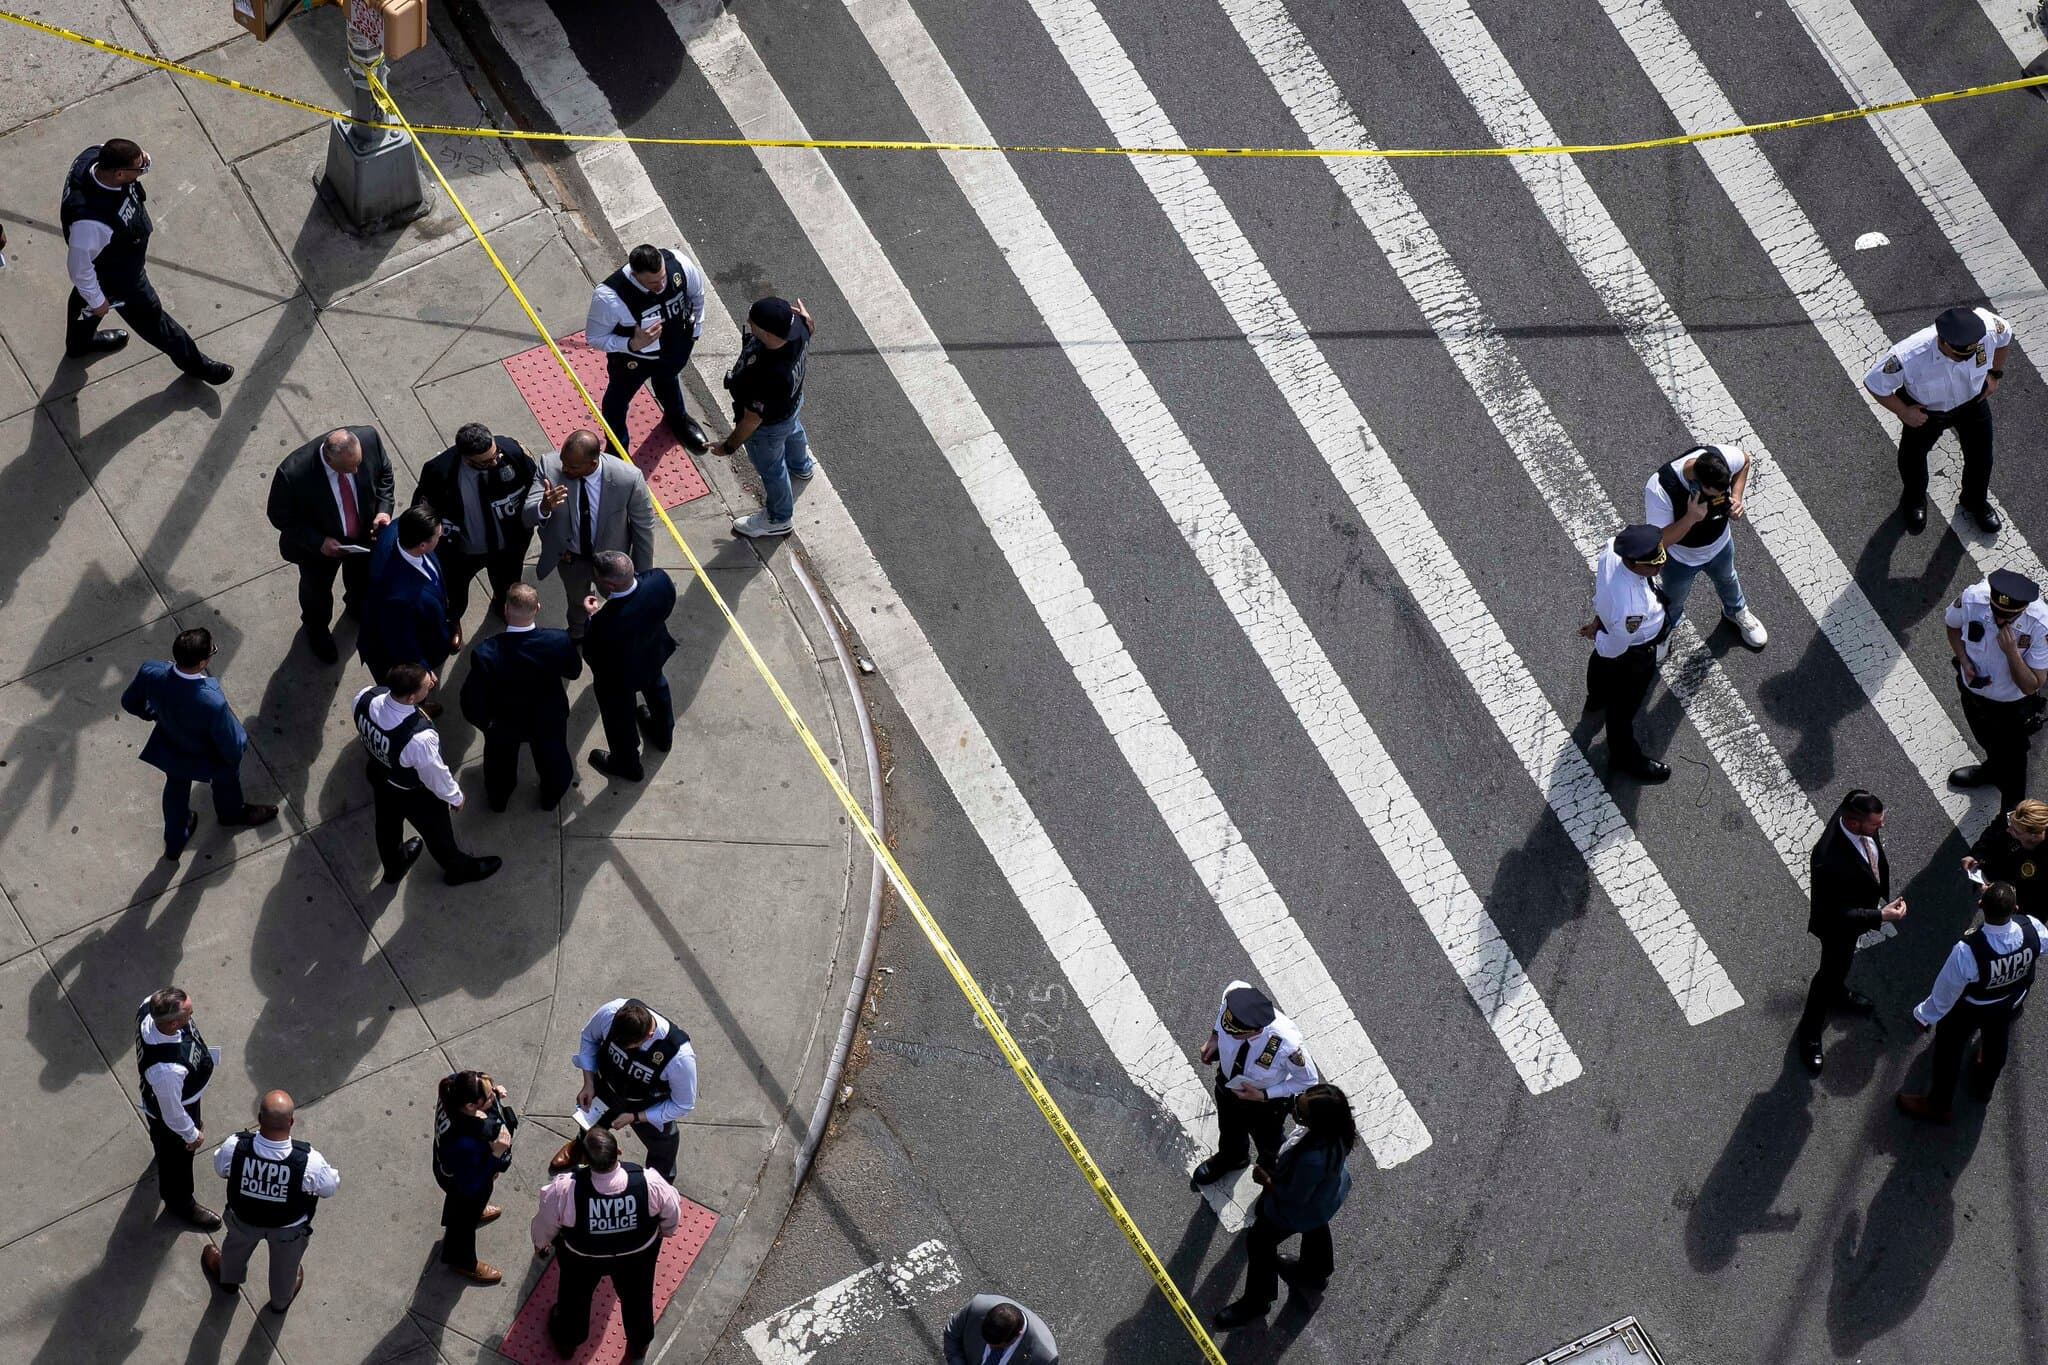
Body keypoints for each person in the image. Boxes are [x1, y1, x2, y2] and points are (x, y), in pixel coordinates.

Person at [60, 138, 233, 383]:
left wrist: (141, 161)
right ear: (120, 174)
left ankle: (79, 345)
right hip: (121, 276)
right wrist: (98, 299)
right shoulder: (91, 222)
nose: (144, 168)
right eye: (139, 168)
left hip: (113, 258)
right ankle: (199, 366)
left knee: (84, 303)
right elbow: (79, 268)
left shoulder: (95, 155)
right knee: (153, 320)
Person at [120, 628, 277, 859]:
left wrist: (153, 713)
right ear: (203, 662)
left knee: (175, 789)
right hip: (208, 754)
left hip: (172, 746)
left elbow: (129, 702)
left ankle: (175, 841)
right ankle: (231, 815)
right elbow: (232, 744)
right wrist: (235, 756)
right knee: (227, 779)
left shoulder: (151, 671)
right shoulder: (212, 701)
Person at [1898, 879, 2046, 1122]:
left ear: (1980, 906)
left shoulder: (1967, 951)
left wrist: (1925, 1016)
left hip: (1972, 1010)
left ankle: (1939, 1104)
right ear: (2016, 909)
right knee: (1996, 1044)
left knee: (1949, 1050)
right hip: (2007, 1004)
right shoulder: (2034, 929)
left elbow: (1945, 992)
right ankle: (1984, 1088)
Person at [531, 1127, 683, 1362]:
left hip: (582, 1260)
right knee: (638, 1299)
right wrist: (663, 1233)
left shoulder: (565, 1190)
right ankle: (638, 1346)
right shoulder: (649, 1182)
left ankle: (567, 1343)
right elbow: (672, 1215)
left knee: (574, 1299)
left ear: (584, 1159)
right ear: (618, 1151)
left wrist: (541, 1244)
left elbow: (545, 1224)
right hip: (637, 1258)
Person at [1215, 1082, 1356, 1328]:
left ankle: (1257, 1301)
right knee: (1316, 1225)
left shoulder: (1312, 1160)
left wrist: (1267, 1181)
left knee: (1259, 1241)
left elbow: (1293, 1197)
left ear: (1317, 1123)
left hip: (1299, 1207)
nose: (1294, 1109)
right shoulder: (1337, 1132)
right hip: (1325, 1196)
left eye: (1300, 1112)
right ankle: (1315, 1272)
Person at [1864, 305, 2013, 534]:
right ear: (1942, 341)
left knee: (1981, 457)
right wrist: (1904, 412)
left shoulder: (1987, 328)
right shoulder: (1909, 355)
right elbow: (1875, 383)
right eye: (1958, 356)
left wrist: (1994, 374)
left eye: (1968, 356)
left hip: (1972, 403)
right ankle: (1914, 499)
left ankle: (1975, 501)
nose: (1962, 361)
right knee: (1913, 458)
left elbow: (2005, 336)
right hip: (1928, 412)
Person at [353, 663, 501, 886]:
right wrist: (455, 797)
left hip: (380, 774)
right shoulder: (418, 739)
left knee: (387, 825)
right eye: (426, 685)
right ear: (411, 698)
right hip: (413, 793)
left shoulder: (364, 697)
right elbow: (435, 774)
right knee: (438, 834)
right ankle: (457, 870)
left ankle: (394, 867)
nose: (432, 682)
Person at [1797, 789, 1908, 1075]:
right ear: (1854, 823)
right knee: (1828, 973)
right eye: (1876, 824)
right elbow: (1836, 913)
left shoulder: (1856, 813)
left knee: (1842, 964)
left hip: (1856, 912)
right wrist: (1880, 915)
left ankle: (1837, 993)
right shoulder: (1827, 859)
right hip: (1836, 926)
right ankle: (1809, 1032)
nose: (1881, 826)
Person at [200, 1090, 339, 1314]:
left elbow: (221, 1169)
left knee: (235, 1250)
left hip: (243, 1220)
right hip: (288, 1229)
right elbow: (329, 1188)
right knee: (286, 1266)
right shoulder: (309, 1161)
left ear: (259, 1118)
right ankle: (280, 1301)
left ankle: (228, 1279)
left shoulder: (235, 1146)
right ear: (291, 1122)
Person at [267, 426, 396, 663]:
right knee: (316, 593)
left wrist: (383, 510)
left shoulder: (369, 439)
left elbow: (385, 473)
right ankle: (316, 629)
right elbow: (279, 516)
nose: (355, 471)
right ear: (329, 460)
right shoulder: (293, 474)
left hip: (363, 536)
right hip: (319, 550)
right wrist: (319, 541)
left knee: (362, 578)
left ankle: (356, 606)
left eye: (358, 464)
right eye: (348, 468)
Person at [458, 583, 582, 811]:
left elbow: (470, 700)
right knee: (553, 761)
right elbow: (574, 671)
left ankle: (499, 801)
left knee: (499, 767)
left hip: (504, 724)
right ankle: (550, 798)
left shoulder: (486, 653)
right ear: (538, 608)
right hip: (548, 718)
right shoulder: (558, 641)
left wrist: (488, 724)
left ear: (506, 609)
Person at [411, 423, 542, 636]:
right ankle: (453, 618)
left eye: (495, 455)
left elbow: (536, 485)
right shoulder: (439, 472)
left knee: (507, 583)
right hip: (462, 552)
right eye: (486, 462)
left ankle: (501, 604)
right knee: (454, 591)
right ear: (466, 458)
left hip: (507, 545)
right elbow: (422, 510)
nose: (495, 462)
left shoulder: (511, 452)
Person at [524, 429, 656, 638]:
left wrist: (643, 576)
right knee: (577, 601)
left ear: (592, 464)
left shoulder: (628, 478)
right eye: (563, 462)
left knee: (620, 602)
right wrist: (543, 507)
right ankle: (578, 632)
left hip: (612, 563)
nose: (564, 469)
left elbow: (644, 527)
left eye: (573, 467)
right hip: (571, 560)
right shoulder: (549, 466)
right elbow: (527, 516)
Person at [1189, 981, 1319, 1190]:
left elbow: (1308, 1080)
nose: (1229, 1034)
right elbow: (1225, 1012)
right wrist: (1214, 1036)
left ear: (1257, 1029)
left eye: (1236, 1034)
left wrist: (1264, 1094)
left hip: (1265, 1105)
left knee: (1270, 1144)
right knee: (1229, 1127)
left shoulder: (1287, 1044)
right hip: (1228, 1084)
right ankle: (1233, 1157)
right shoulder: (1234, 997)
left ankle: (1273, 1176)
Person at [552, 998, 697, 1181]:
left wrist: (637, 1117)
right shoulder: (610, 1012)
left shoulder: (679, 1057)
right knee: (589, 1124)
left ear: (649, 1035)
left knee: (664, 1147)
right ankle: (581, 1149)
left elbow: (683, 1104)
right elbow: (589, 1037)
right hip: (606, 1087)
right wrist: (588, 1082)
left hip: (647, 1105)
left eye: (629, 1047)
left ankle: (658, 1185)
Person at [586, 243, 710, 456]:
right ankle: (618, 448)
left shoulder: (679, 263)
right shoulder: (609, 297)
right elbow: (595, 338)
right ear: (635, 275)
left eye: (663, 277)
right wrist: (631, 344)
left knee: (669, 381)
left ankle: (677, 418)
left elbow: (697, 296)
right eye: (653, 283)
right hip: (633, 361)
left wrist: (695, 330)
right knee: (615, 404)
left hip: (674, 349)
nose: (661, 286)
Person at [1945, 569, 2048, 816]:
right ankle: (1992, 770)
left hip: (2010, 707)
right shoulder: (1973, 599)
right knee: (1985, 738)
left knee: (2013, 765)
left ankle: (2010, 819)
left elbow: (2032, 684)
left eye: (2007, 616)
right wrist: (1963, 660)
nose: (1999, 619)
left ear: (2023, 609)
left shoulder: (2040, 624)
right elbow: (1952, 625)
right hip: (1974, 692)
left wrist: (2011, 652)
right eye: (1996, 612)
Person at [1643, 444, 1766, 649]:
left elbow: (1744, 461)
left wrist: (1736, 497)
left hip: (1721, 546)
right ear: (1695, 484)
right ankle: (1667, 628)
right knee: (1674, 600)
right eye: (1710, 495)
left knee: (1728, 579)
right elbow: (1659, 541)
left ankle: (1735, 611)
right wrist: (1690, 518)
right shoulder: (1660, 487)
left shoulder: (1721, 459)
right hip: (1680, 560)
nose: (1717, 499)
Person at [713, 295, 815, 539]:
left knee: (772, 469)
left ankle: (779, 518)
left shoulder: (767, 376)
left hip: (768, 427)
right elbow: (810, 325)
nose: (749, 322)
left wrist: (728, 447)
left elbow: (751, 420)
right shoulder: (800, 329)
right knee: (793, 431)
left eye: (753, 322)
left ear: (767, 333)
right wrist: (805, 319)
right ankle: (801, 466)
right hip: (791, 404)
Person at [1579, 524, 1675, 783]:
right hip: (1632, 655)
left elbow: (1604, 596)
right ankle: (1623, 757)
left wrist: (1600, 622)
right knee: (1623, 709)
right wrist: (1600, 636)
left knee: (1600, 668)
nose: (1660, 567)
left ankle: (1596, 700)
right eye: (1653, 566)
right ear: (1633, 564)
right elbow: (1618, 646)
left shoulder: (1614, 548)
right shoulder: (1632, 606)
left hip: (1610, 629)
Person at [581, 552, 677, 783]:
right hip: (653, 656)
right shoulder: (659, 580)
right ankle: (663, 736)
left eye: (596, 578)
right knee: (658, 690)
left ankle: (627, 764)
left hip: (620, 677)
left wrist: (592, 616)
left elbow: (592, 656)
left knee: (619, 716)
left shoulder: (603, 622)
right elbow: (667, 606)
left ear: (610, 585)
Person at [135, 987, 222, 1230]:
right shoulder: (167, 1071)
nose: (192, 1015)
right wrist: (192, 1134)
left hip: (179, 1097)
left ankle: (162, 1147)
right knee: (178, 1157)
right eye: (188, 1014)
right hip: (174, 1110)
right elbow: (172, 1113)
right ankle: (179, 1201)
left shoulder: (148, 1005)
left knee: (164, 1143)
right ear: (173, 1024)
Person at [433, 1070, 515, 1285]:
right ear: (471, 1105)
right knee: (463, 1222)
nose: (493, 1096)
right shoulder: (465, 1143)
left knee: (463, 1209)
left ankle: (474, 1212)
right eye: (489, 1096)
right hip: (464, 1182)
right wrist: (496, 1154)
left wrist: (493, 1094)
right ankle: (461, 1261)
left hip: (450, 1168)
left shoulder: (453, 1087)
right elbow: (469, 1185)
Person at [359, 506, 455, 684]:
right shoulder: (398, 597)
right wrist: (422, 669)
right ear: (422, 545)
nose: (441, 535)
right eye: (437, 535)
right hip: (419, 642)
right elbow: (401, 640)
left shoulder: (396, 528)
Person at [1963, 797, 2048, 921]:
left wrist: (2000, 896)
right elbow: (1993, 832)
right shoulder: (2015, 818)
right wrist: (1975, 854)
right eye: (2009, 825)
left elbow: (2040, 900)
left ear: (2034, 836)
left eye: (2016, 832)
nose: (2008, 830)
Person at [942, 1294, 1060, 1365]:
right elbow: (951, 1335)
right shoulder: (976, 1308)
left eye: (997, 1347)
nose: (990, 1348)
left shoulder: (1044, 1357)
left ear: (1017, 1335)